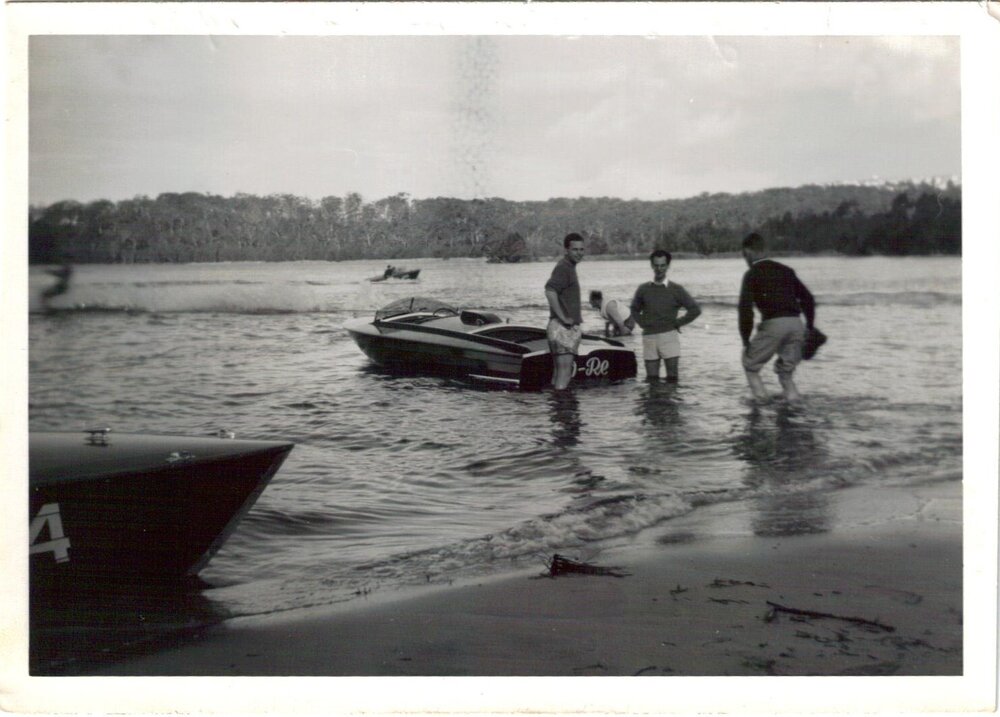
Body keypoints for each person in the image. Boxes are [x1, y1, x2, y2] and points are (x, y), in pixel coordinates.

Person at [738, 232, 816, 402]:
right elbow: (808, 299)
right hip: (796, 324)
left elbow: (745, 310)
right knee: (785, 372)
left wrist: (746, 341)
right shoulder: (786, 270)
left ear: (749, 252)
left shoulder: (752, 274)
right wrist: (809, 327)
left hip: (774, 324)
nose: (745, 259)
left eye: (744, 255)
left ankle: (761, 404)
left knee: (750, 366)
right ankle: (794, 405)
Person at [630, 249, 701, 381]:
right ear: (652, 265)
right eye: (656, 265)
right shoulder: (643, 289)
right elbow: (634, 309)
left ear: (668, 266)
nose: (659, 269)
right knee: (651, 380)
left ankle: (671, 402)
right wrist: (642, 322)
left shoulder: (676, 289)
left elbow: (695, 310)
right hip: (649, 337)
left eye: (662, 265)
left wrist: (678, 323)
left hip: (669, 337)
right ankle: (654, 401)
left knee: (672, 379)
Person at [544, 233, 585, 390]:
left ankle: (558, 411)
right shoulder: (564, 267)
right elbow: (550, 291)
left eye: (581, 249)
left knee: (559, 374)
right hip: (562, 328)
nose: (579, 252)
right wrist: (563, 317)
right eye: (575, 249)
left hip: (558, 327)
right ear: (566, 250)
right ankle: (563, 411)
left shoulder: (568, 267)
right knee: (564, 373)